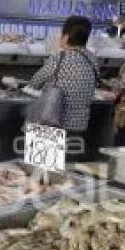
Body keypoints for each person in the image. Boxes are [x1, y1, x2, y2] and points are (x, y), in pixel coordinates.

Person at [27, 16, 97, 155]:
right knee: (69, 169)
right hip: (79, 126)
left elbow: (35, 82)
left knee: (45, 171)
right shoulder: (93, 59)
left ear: (65, 37)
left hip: (53, 124)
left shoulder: (61, 57)